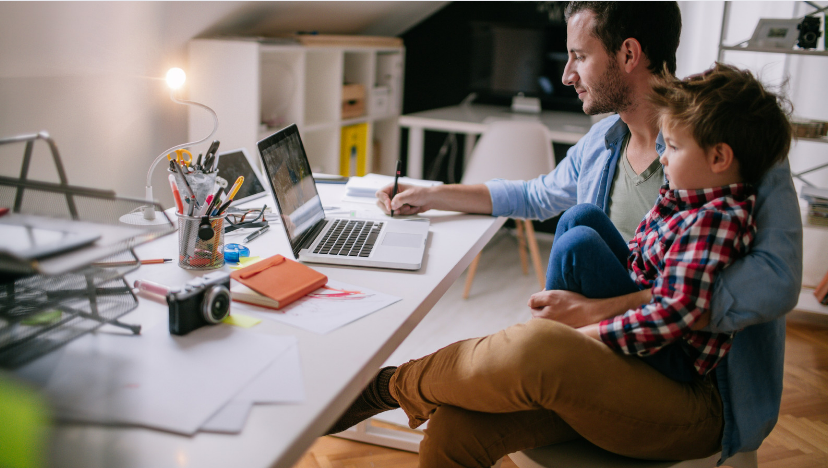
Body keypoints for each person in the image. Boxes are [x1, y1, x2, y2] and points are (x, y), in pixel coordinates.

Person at [328, 2, 801, 466]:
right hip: (620, 354)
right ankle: (463, 371)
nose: (566, 74)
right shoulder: (605, 140)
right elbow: (535, 195)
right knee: (455, 427)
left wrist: (597, 314)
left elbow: (775, 281)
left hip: (700, 386)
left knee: (540, 344)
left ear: (629, 54)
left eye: (579, 56)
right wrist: (433, 195)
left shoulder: (732, 143)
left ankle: (389, 386)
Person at [547, 63, 791, 386]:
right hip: (650, 305)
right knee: (581, 218)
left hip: (674, 349)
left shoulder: (715, 219)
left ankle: (547, 345)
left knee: (578, 245)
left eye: (674, 147)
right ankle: (548, 333)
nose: (663, 157)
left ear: (719, 158)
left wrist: (586, 333)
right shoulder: (683, 195)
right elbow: (640, 252)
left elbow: (669, 315)